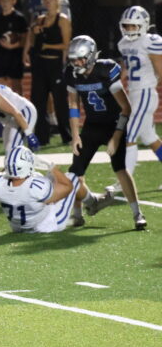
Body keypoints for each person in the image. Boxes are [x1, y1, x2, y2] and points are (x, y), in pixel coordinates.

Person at [64, 36, 146, 230]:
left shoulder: (105, 70)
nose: (76, 63)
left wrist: (116, 137)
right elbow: (73, 104)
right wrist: (75, 135)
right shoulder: (71, 73)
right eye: (73, 59)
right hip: (92, 125)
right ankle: (78, 215)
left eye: (80, 59)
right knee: (76, 171)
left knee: (120, 169)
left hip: (114, 125)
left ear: (91, 56)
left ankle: (137, 214)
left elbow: (126, 108)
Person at [0, 146, 112, 233]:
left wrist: (11, 164)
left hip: (19, 227)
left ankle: (84, 211)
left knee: (47, 183)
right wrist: (52, 167)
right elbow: (67, 187)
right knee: (72, 178)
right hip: (47, 225)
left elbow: (3, 173)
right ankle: (91, 205)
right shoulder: (35, 186)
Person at [116, 6, 162, 180]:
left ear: (144, 25)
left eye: (133, 25)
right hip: (133, 93)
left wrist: (150, 83)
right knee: (149, 138)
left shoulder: (150, 41)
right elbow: (126, 69)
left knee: (128, 135)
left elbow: (161, 71)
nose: (129, 29)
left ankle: (124, 182)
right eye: (126, 25)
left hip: (145, 94)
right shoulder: (123, 43)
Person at [23, 0, 71, 146]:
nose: (49, 3)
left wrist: (48, 46)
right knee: (38, 101)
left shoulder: (62, 20)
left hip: (55, 64)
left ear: (57, 1)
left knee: (60, 101)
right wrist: (34, 33)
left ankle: (67, 135)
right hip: (40, 64)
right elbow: (33, 42)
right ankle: (42, 136)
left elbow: (66, 44)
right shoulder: (40, 19)